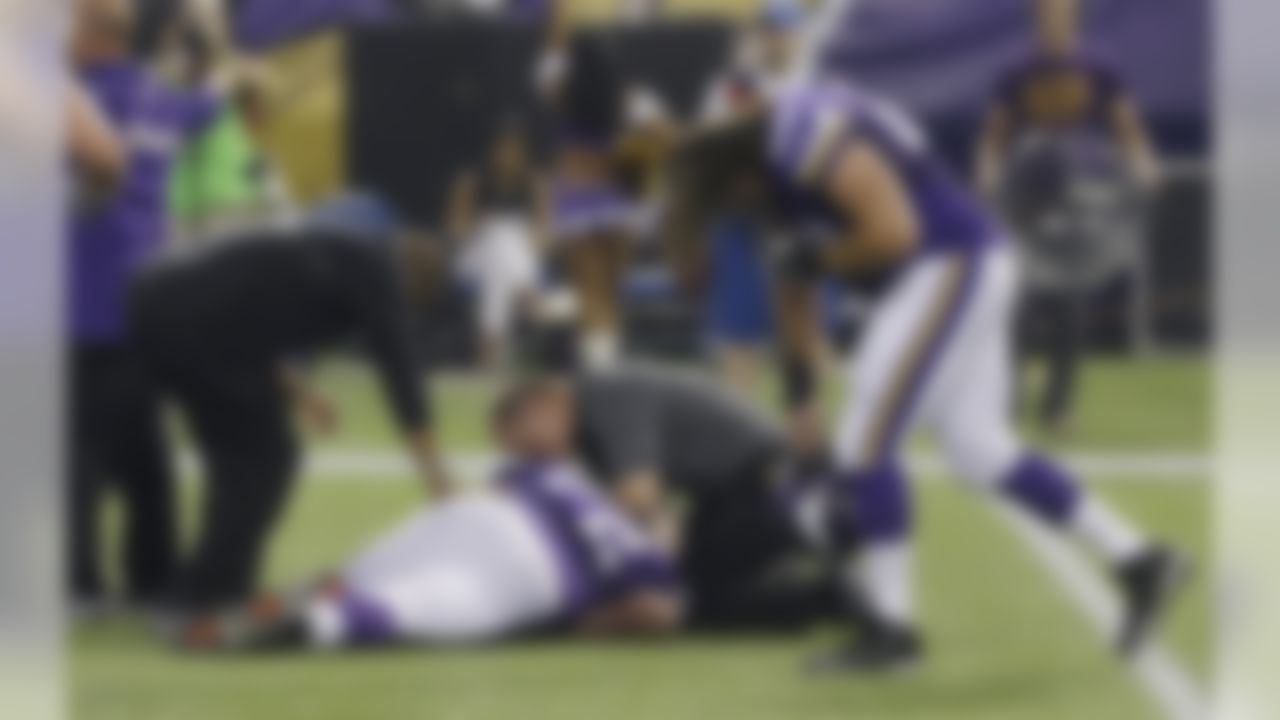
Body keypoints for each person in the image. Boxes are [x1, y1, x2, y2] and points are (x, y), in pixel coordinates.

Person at [666, 76, 1188, 672]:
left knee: (864, 441)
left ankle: (891, 630)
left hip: (949, 259)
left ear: (737, 172)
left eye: (731, 201)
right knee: (979, 451)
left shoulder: (802, 133)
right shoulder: (775, 167)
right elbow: (794, 290)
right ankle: (1139, 559)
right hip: (945, 270)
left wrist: (821, 257)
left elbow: (894, 232)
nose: (742, 212)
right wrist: (801, 398)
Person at [176, 376, 681, 651]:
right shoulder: (647, 556)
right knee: (406, 608)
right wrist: (586, 622)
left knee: (359, 575)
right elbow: (653, 613)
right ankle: (321, 623)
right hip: (535, 574)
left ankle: (259, 611)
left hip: (478, 515)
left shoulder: (558, 476)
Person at [129, 229, 451, 615]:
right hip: (192, 323)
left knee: (238, 459)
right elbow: (401, 376)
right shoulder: (377, 270)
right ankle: (202, 590)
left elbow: (250, 319)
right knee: (265, 457)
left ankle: (214, 583)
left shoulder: (341, 251)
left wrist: (302, 394)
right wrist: (439, 486)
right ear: (413, 281)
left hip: (160, 304)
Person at [68, 0, 226, 612]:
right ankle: (153, 577)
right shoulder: (160, 100)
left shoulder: (71, 100)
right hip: (149, 297)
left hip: (77, 298)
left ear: (85, 33)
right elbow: (209, 99)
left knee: (73, 452)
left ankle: (77, 581)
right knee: (143, 450)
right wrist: (208, 38)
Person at [501, 366, 841, 631]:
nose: (531, 458)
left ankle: (818, 598)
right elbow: (653, 512)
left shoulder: (604, 396)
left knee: (689, 603)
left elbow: (639, 497)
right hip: (743, 491)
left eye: (525, 444)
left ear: (543, 407)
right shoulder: (594, 419)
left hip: (770, 489)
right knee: (691, 590)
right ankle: (813, 595)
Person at [974, 0, 1161, 435]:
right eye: (1045, 12)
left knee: (1070, 303)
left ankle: (1058, 407)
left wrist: (1143, 165)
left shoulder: (1098, 65)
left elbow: (1125, 125)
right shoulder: (1017, 69)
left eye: (1061, 11)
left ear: (1075, 15)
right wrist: (988, 173)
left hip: (1079, 194)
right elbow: (995, 134)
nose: (1053, 18)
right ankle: (1006, 397)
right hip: (1025, 197)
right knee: (1014, 301)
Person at [449, 120, 551, 369]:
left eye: (515, 150)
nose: (509, 156)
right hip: (473, 259)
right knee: (498, 236)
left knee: (506, 243)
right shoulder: (471, 183)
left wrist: (530, 241)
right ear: (492, 151)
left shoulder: (536, 185)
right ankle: (527, 298)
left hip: (520, 258)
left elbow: (545, 235)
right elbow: (456, 233)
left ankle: (492, 343)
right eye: (503, 149)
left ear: (525, 153)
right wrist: (478, 226)